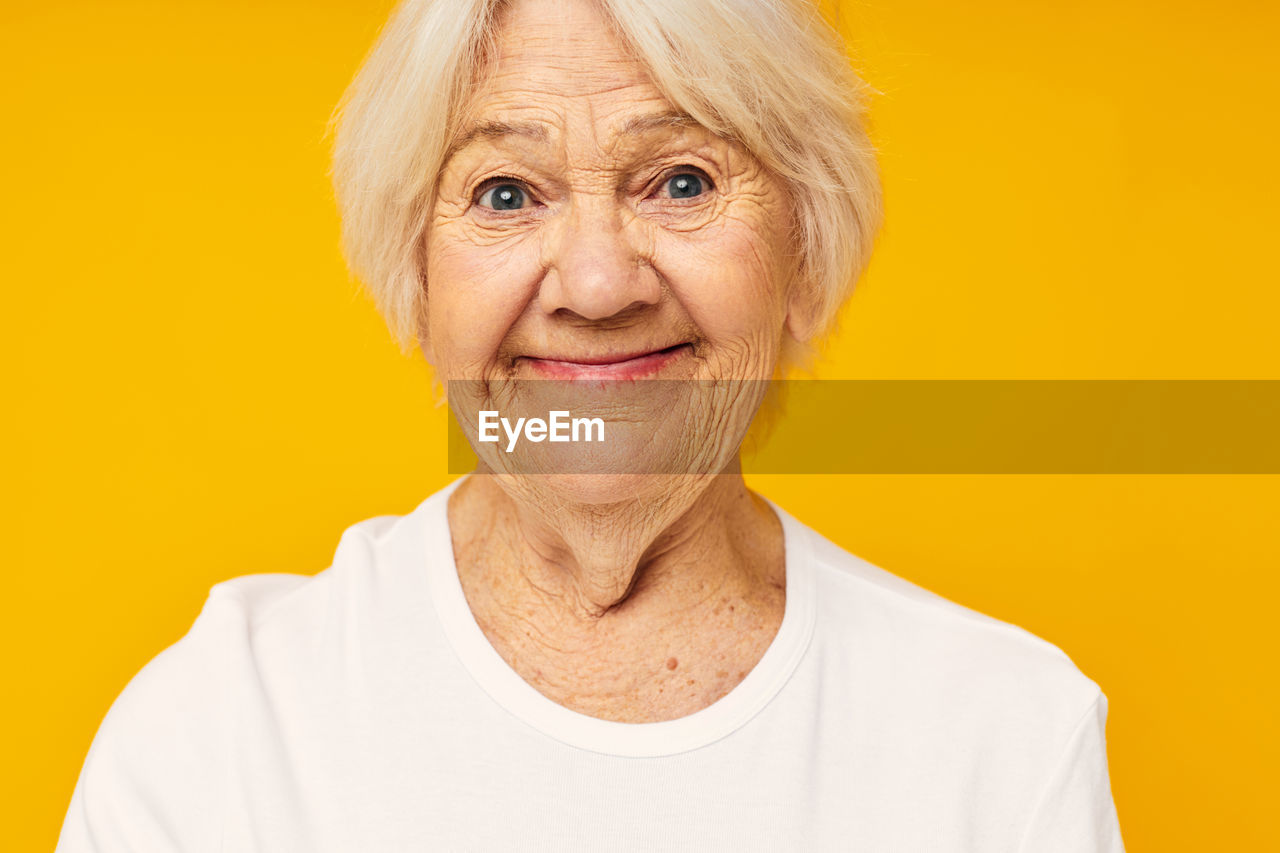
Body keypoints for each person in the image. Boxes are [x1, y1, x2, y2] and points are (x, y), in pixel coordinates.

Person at [56, 0, 1125, 849]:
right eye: (507, 194)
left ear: (802, 251)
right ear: (417, 283)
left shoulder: (1004, 735)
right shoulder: (218, 732)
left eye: (681, 179)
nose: (600, 282)